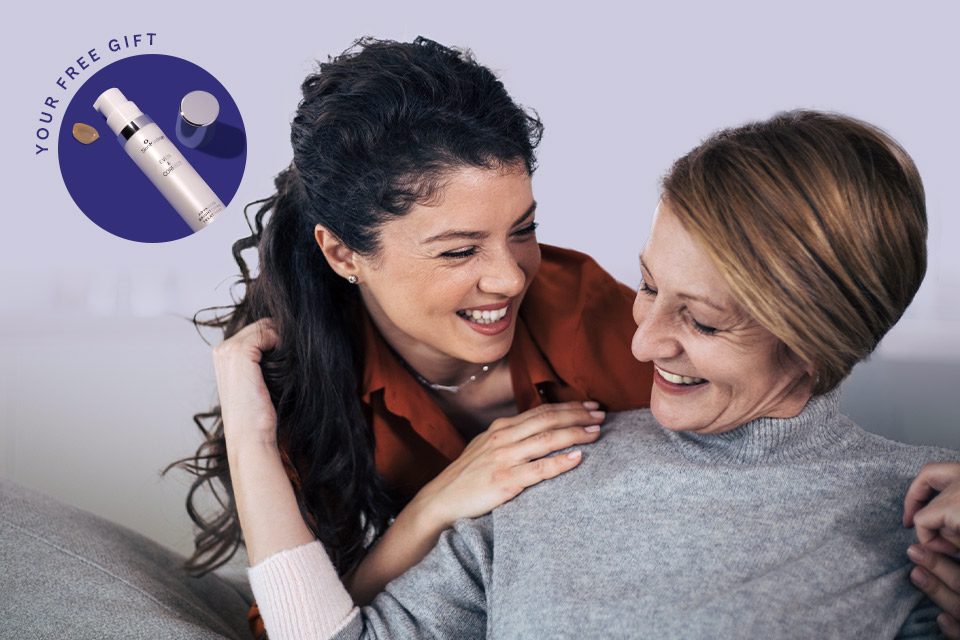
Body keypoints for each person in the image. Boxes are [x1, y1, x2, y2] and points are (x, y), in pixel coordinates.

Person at [179, 36, 960, 636]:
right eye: (457, 251)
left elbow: (766, 430)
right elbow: (299, 627)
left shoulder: (594, 329)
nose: (512, 278)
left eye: (523, 231)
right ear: (343, 254)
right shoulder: (313, 373)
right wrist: (430, 506)